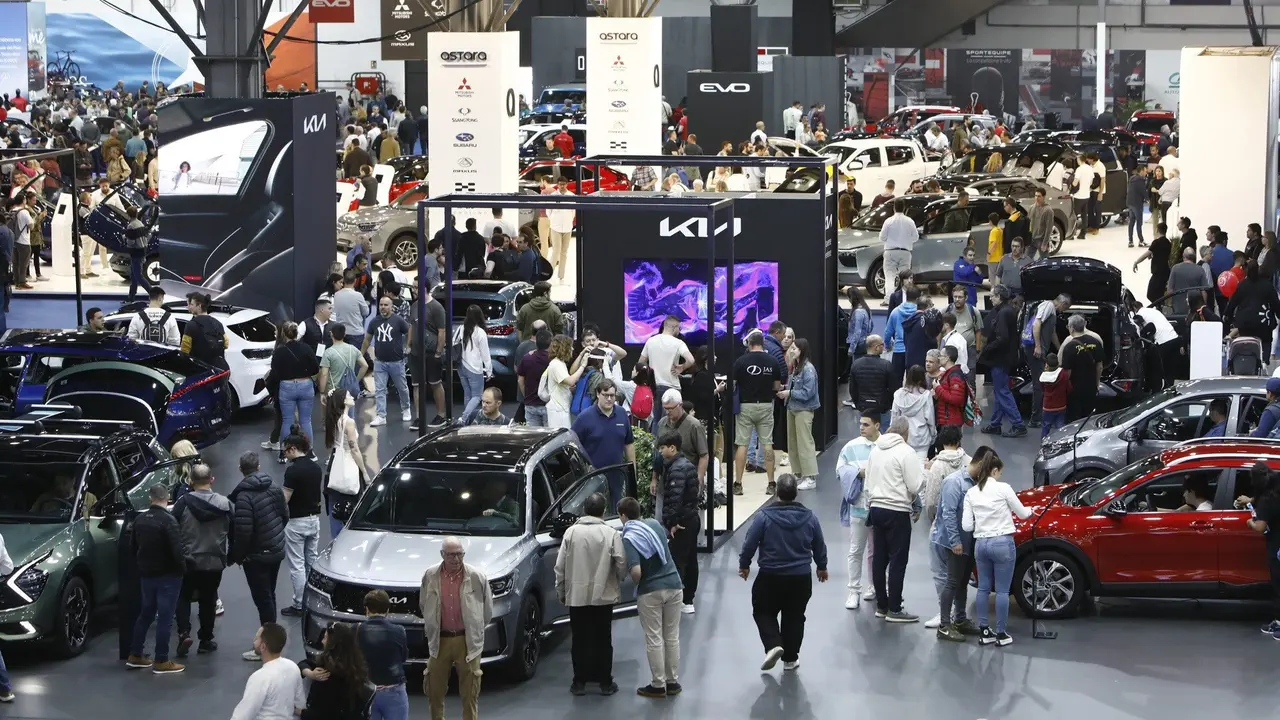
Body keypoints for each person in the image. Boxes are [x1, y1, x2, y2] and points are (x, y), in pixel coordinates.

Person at [738, 474, 828, 672]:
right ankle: (790, 659)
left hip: (770, 576)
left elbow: (750, 543)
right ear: (796, 493)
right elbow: (819, 544)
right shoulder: (810, 517)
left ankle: (773, 644)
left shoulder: (764, 517)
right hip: (801, 577)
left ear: (777, 492)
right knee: (795, 616)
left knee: (763, 610)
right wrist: (822, 567)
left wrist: (744, 565)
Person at [554, 492, 626, 696]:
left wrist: (561, 590)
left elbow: (560, 567)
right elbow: (621, 562)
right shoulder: (611, 533)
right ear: (603, 510)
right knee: (603, 638)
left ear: (584, 509)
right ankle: (605, 683)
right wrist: (619, 578)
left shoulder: (570, 533)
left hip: (577, 596)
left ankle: (579, 682)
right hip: (603, 595)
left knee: (579, 639)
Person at [616, 496, 684, 699]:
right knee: (671, 636)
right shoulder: (653, 524)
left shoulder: (629, 537)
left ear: (623, 516)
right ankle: (672, 682)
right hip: (674, 585)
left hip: (651, 592)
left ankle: (657, 685)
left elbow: (636, 572)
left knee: (654, 637)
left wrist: (633, 580)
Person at [962, 452, 1032, 646]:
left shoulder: (971, 493)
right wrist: (1031, 512)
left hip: (981, 545)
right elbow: (1023, 514)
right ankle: (1001, 634)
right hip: (1002, 543)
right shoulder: (1004, 488)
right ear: (994, 470)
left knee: (983, 588)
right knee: (1002, 591)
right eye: (999, 471)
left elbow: (967, 526)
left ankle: (985, 631)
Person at [420, 537, 493, 720]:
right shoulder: (430, 575)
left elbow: (487, 610)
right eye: (451, 555)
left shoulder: (477, 576)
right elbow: (424, 605)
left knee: (470, 693)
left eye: (459, 554)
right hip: (440, 641)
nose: (456, 559)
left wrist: (475, 629)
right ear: (442, 555)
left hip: (467, 641)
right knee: (434, 691)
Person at [229, 452, 288, 662]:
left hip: (256, 557)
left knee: (263, 599)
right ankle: (271, 638)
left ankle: (267, 646)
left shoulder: (243, 497)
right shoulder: (273, 487)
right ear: (259, 465)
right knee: (269, 594)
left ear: (240, 469)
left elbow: (244, 532)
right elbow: (284, 515)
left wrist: (236, 556)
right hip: (276, 550)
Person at [863, 418, 923, 622]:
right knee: (898, 560)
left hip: (876, 508)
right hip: (897, 510)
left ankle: (882, 605)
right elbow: (915, 486)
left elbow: (868, 481)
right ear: (905, 434)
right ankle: (895, 609)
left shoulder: (875, 450)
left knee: (879, 558)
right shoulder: (906, 452)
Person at [125, 483, 188, 674]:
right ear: (167, 498)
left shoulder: (140, 520)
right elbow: (177, 551)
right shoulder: (169, 521)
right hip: (168, 576)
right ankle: (161, 659)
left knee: (146, 614)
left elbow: (132, 547)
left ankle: (135, 654)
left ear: (150, 498)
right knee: (166, 617)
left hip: (146, 575)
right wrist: (182, 570)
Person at [932, 447, 992, 642]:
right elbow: (948, 513)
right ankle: (944, 625)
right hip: (954, 543)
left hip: (969, 542)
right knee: (952, 581)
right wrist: (955, 541)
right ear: (981, 464)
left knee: (963, 581)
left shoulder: (976, 483)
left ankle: (960, 619)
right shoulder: (954, 482)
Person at [171, 464, 231, 656]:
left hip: (188, 560)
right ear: (211, 479)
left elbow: (172, 529)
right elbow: (237, 529)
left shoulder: (182, 503)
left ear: (190, 481)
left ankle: (184, 632)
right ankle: (206, 639)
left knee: (182, 596)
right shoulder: (224, 504)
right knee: (209, 598)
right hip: (214, 561)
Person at [655, 431, 701, 615]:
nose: (660, 452)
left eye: (662, 448)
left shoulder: (677, 470)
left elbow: (675, 500)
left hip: (682, 523)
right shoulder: (687, 465)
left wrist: (672, 522)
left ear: (672, 448)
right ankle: (688, 599)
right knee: (690, 560)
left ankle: (679, 599)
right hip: (691, 519)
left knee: (677, 561)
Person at [734, 331, 785, 495]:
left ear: (749, 344)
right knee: (767, 443)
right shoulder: (773, 361)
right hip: (765, 405)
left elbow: (733, 384)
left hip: (745, 406)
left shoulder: (740, 361)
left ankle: (738, 484)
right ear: (763, 344)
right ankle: (771, 483)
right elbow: (776, 386)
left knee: (742, 443)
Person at [571, 379, 635, 506]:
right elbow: (572, 446)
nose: (609, 399)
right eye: (606, 395)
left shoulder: (622, 414)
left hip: (617, 475)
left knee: (616, 510)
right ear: (598, 394)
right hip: (592, 477)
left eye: (612, 395)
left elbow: (629, 443)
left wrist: (632, 473)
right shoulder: (585, 417)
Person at [278, 433, 323, 618]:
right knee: (311, 562)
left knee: (297, 564)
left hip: (296, 522)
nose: (285, 455)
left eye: (286, 451)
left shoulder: (293, 471)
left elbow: (285, 499)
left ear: (293, 449)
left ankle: (299, 603)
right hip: (315, 520)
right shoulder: (316, 467)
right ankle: (315, 599)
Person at [229, 624, 305, 720]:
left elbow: (243, 715)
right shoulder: (293, 667)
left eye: (256, 638)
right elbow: (300, 704)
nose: (254, 641)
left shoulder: (259, 677)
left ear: (263, 647)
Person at [979, 285, 1027, 437]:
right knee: (999, 391)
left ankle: (1018, 424)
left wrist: (985, 349)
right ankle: (995, 424)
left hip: (1000, 359)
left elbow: (1002, 339)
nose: (991, 298)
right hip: (1006, 358)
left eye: (993, 296)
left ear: (999, 297)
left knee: (1002, 392)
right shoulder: (1008, 311)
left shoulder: (1003, 313)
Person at [297, 623, 371, 720]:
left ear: (332, 644)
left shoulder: (328, 676)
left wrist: (299, 712)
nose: (322, 641)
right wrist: (310, 673)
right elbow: (305, 663)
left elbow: (322, 716)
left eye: (325, 638)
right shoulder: (354, 664)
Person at [357, 589, 410, 720]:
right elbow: (403, 658)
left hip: (365, 692)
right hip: (394, 693)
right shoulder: (399, 631)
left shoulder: (355, 630)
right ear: (387, 610)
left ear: (366, 609)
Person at [363, 295, 413, 426]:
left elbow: (410, 330)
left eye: (386, 305)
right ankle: (381, 416)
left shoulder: (398, 320)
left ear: (391, 307)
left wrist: (408, 346)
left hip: (396, 362)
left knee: (402, 387)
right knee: (379, 390)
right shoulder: (374, 321)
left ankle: (406, 409)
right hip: (380, 362)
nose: (383, 307)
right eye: (381, 305)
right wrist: (361, 354)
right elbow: (367, 339)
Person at [638, 315, 695, 426]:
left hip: (654, 386)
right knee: (672, 422)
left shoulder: (651, 341)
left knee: (656, 421)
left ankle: (655, 443)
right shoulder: (678, 343)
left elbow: (640, 362)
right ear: (674, 327)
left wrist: (648, 374)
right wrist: (682, 367)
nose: (679, 331)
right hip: (672, 387)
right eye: (679, 328)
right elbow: (691, 360)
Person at [271, 322, 320, 449]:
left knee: (287, 420)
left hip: (286, 387)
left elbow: (274, 371)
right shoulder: (306, 348)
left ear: (283, 334)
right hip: (305, 385)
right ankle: (309, 451)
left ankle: (284, 452)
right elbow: (315, 368)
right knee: (306, 421)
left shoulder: (279, 351)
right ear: (297, 333)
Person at [780, 338, 821, 489]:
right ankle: (797, 473)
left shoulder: (808, 369)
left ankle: (810, 477)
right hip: (792, 408)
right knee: (793, 443)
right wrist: (786, 389)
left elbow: (808, 392)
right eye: (791, 348)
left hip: (804, 409)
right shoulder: (796, 367)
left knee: (805, 443)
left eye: (794, 349)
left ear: (802, 351)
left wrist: (789, 392)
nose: (791, 351)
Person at [1059, 314, 1103, 422]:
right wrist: (1097, 383)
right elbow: (1100, 366)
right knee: (1088, 417)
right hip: (1090, 386)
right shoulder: (1095, 341)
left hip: (1074, 388)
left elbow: (1067, 371)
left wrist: (1064, 388)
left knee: (1073, 416)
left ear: (1072, 328)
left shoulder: (1069, 346)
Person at [848, 334, 893, 428]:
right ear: (876, 347)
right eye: (882, 344)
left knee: (865, 437)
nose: (883, 347)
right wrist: (887, 405)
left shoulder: (856, 365)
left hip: (863, 407)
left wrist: (858, 404)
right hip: (882, 409)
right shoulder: (886, 365)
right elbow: (893, 388)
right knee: (883, 438)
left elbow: (852, 389)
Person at [879, 199, 918, 299]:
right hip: (905, 252)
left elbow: (882, 237)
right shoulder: (910, 221)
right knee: (906, 278)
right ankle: (906, 298)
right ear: (904, 208)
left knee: (889, 277)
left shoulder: (888, 221)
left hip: (890, 252)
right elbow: (916, 237)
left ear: (894, 208)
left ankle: (889, 300)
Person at [182, 292, 229, 371]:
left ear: (199, 306)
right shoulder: (218, 323)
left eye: (191, 304)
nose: (188, 307)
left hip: (199, 370)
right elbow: (226, 344)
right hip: (218, 370)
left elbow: (184, 350)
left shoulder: (191, 325)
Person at [1039, 352, 1072, 438]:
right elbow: (1069, 388)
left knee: (1046, 425)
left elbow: (1042, 389)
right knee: (1060, 426)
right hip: (1061, 405)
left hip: (1047, 406)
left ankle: (1044, 442)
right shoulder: (1063, 374)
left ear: (1047, 364)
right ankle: (1060, 443)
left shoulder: (1043, 377)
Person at [1126, 165, 1148, 248]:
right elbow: (1143, 191)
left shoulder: (1132, 179)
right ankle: (1141, 241)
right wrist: (1148, 198)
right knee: (1139, 222)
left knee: (1131, 222)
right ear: (1141, 171)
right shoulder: (1140, 180)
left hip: (1130, 202)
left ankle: (1130, 241)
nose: (1146, 173)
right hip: (1137, 203)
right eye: (1145, 171)